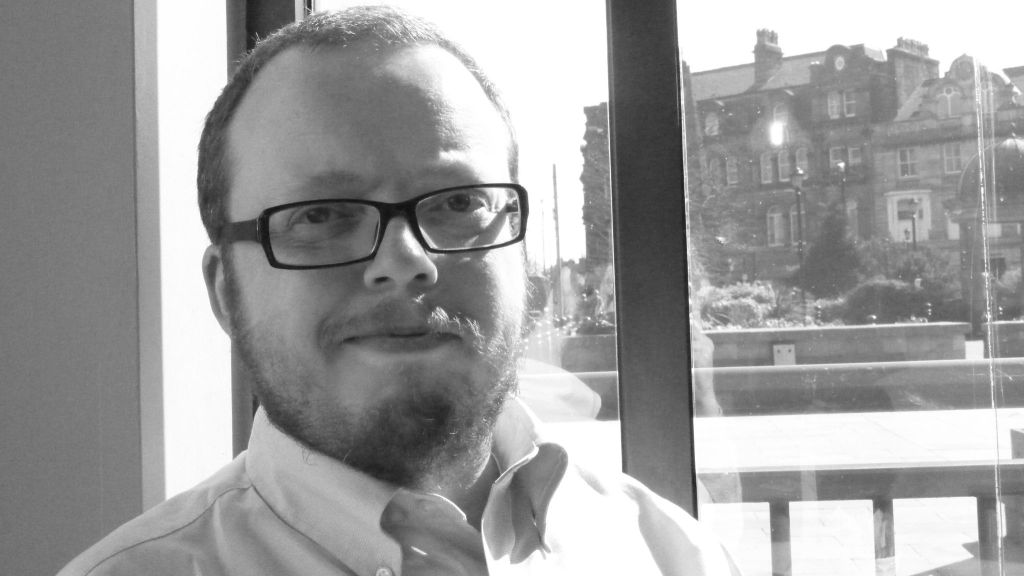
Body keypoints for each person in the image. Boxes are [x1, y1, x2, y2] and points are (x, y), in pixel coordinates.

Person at [58, 6, 738, 575]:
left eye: (459, 203)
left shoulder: (672, 553)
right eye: (321, 215)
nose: (406, 261)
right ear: (225, 293)